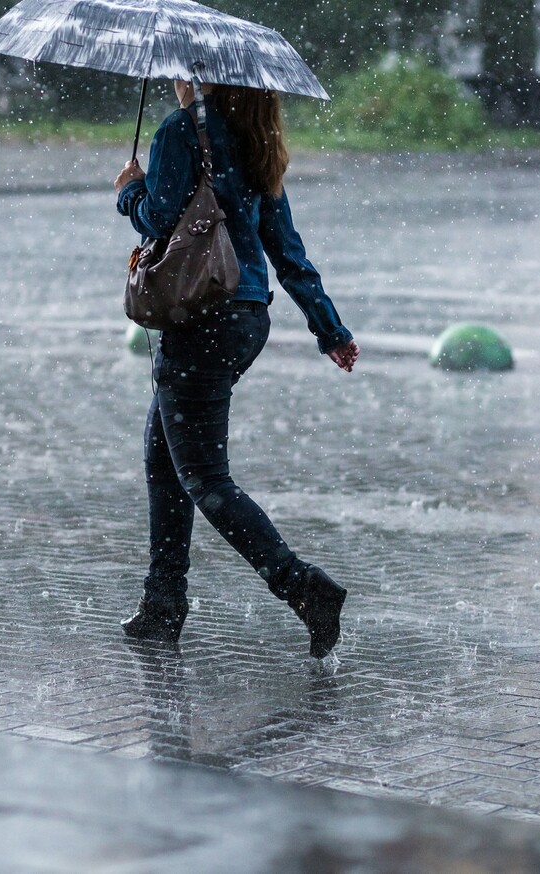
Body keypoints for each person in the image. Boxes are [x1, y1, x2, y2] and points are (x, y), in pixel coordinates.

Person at [113, 78, 360, 656]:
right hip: (246, 319)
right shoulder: (257, 140)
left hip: (200, 315)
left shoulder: (181, 132)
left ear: (203, 77)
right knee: (163, 459)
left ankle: (305, 590)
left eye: (185, 69)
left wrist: (129, 189)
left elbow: (157, 219)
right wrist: (329, 329)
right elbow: (287, 250)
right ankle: (162, 604)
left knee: (205, 479)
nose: (178, 77)